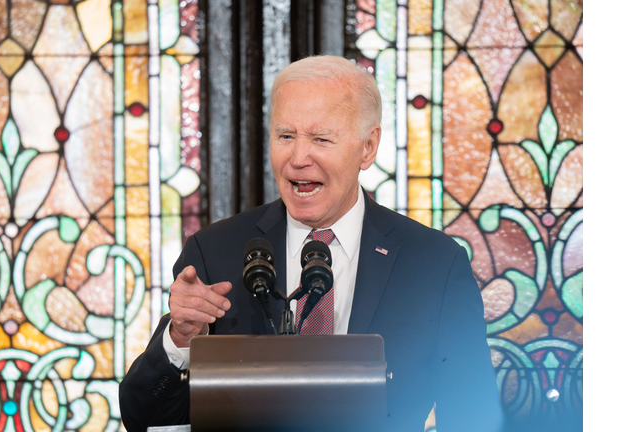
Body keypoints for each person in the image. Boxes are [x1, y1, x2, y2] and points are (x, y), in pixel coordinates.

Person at [119, 55, 503, 431]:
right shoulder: (214, 252)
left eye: (321, 138)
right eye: (285, 136)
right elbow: (143, 417)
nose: (298, 158)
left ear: (367, 148)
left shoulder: (433, 264)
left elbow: (473, 414)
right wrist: (180, 341)